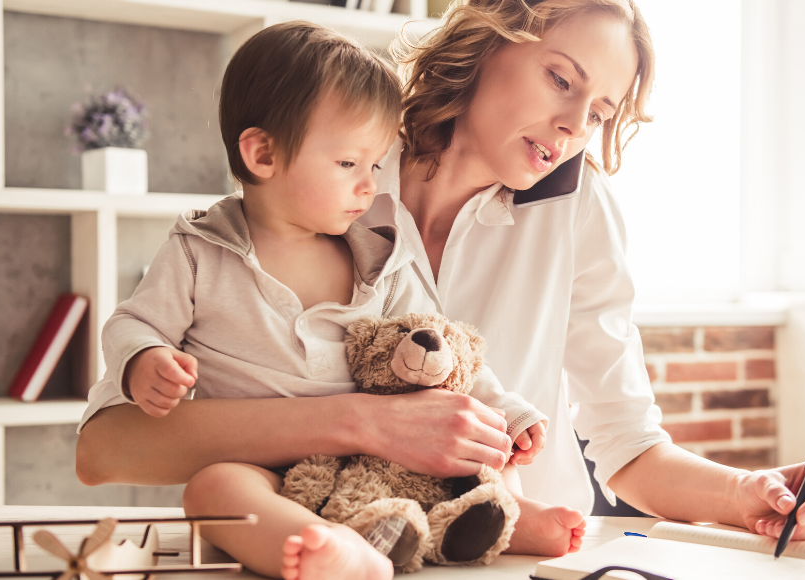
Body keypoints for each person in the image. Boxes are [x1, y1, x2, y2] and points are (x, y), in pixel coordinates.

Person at [77, 0, 805, 565]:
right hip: (336, 547)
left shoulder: (579, 210)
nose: (577, 124)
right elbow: (109, 448)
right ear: (492, 35)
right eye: (561, 79)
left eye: (601, 110)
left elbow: (627, 444)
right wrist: (363, 423)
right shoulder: (333, 167)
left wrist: (748, 495)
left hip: (516, 556)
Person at [81, 21, 554, 580]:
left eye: (375, 166)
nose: (369, 186)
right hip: (258, 470)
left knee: (470, 438)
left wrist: (510, 412)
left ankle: (506, 517)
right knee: (212, 491)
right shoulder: (200, 251)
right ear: (262, 154)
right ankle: (330, 549)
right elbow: (133, 322)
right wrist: (143, 360)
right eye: (348, 164)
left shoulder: (381, 252)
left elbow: (444, 348)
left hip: (372, 472)